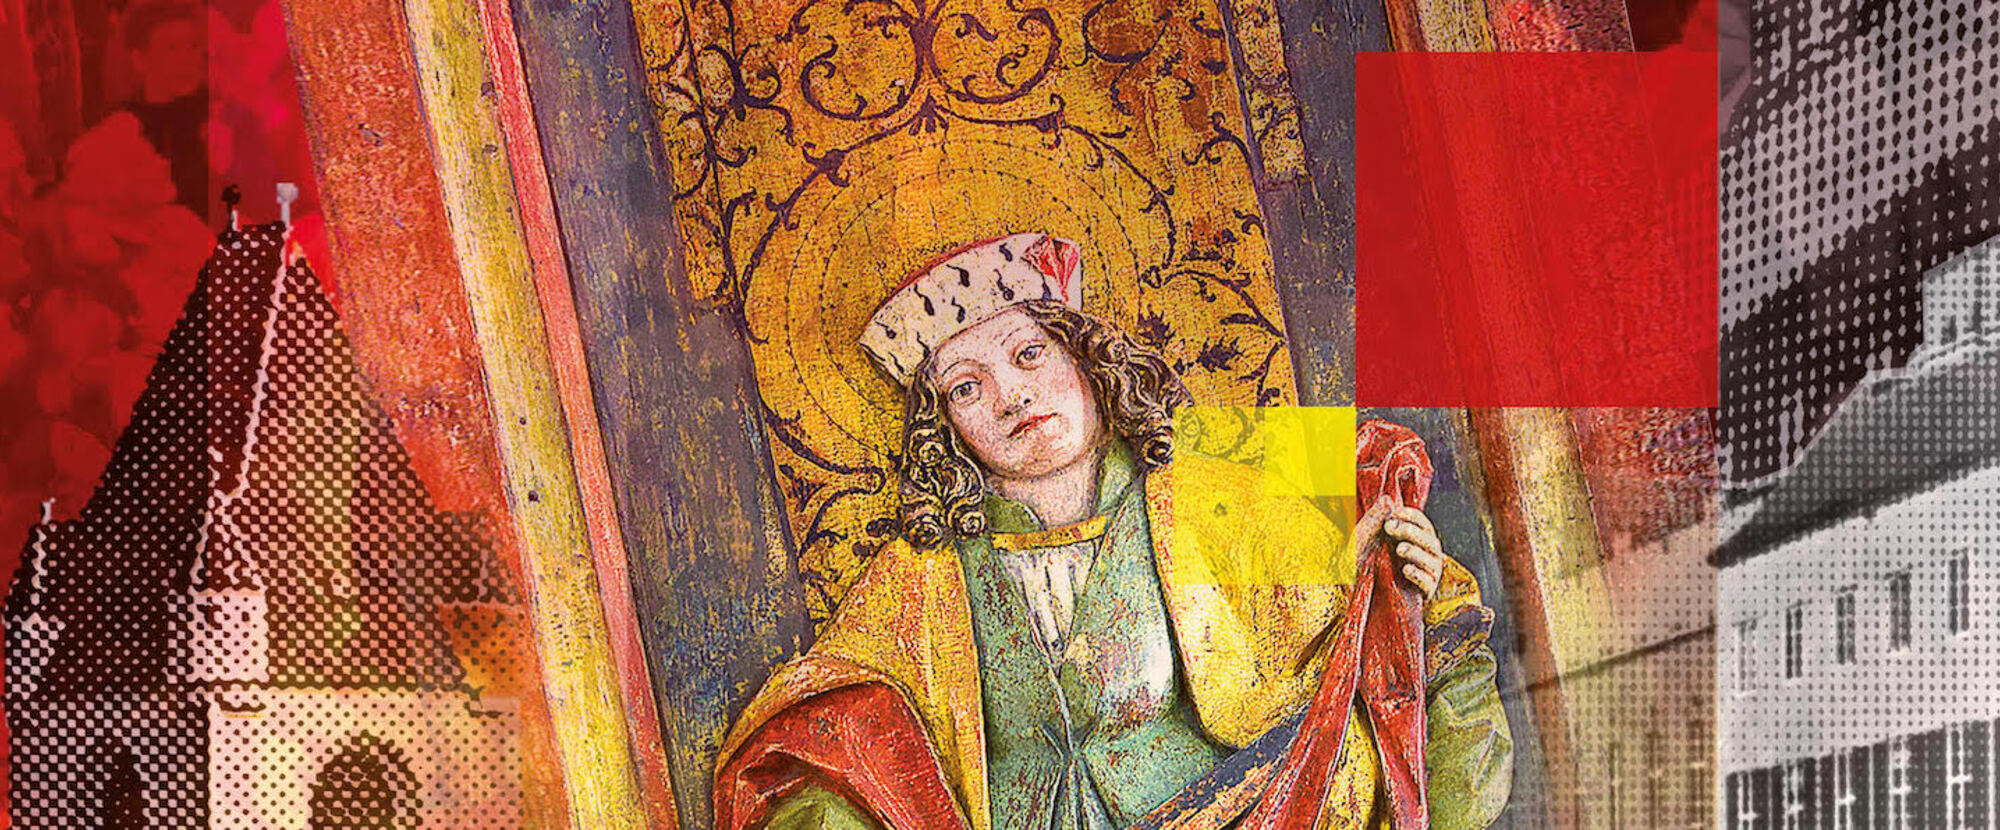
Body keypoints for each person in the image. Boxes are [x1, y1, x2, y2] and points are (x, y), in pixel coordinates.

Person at [716, 234, 1513, 830]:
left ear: (1087, 359)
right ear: (943, 427)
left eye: (1029, 353)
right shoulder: (919, 577)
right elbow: (819, 738)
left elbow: (1396, 648)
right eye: (966, 387)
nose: (1011, 396)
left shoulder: (1218, 499)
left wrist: (1395, 583)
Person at [117, 2, 208, 217]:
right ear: (139, 60)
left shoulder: (220, 112)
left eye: (193, 46)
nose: (187, 59)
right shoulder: (124, 130)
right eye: (171, 48)